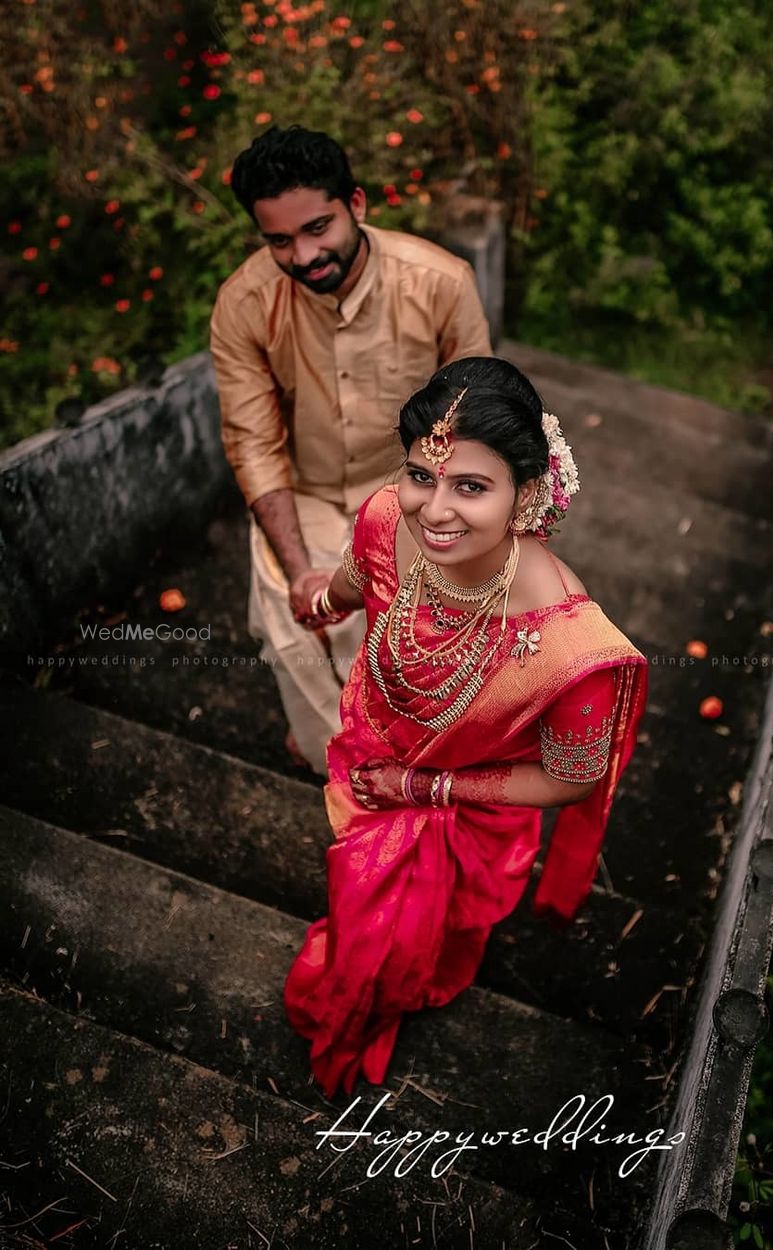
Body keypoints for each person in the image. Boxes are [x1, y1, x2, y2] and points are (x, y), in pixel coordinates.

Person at [283, 356, 648, 1096]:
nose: (434, 509)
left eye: (471, 487)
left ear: (528, 495)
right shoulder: (390, 517)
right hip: (367, 761)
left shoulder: (569, 647)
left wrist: (425, 786)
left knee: (428, 932)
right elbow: (354, 581)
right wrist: (318, 604)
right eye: (422, 474)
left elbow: (572, 779)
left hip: (463, 811)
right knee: (371, 911)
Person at [210, 124, 492, 773]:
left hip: (412, 487)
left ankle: (400, 748)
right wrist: (302, 570)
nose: (304, 255)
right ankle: (335, 758)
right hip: (302, 490)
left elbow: (475, 419)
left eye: (318, 229)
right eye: (279, 240)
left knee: (417, 622)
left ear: (356, 205)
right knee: (297, 619)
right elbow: (253, 444)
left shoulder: (441, 282)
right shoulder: (244, 304)